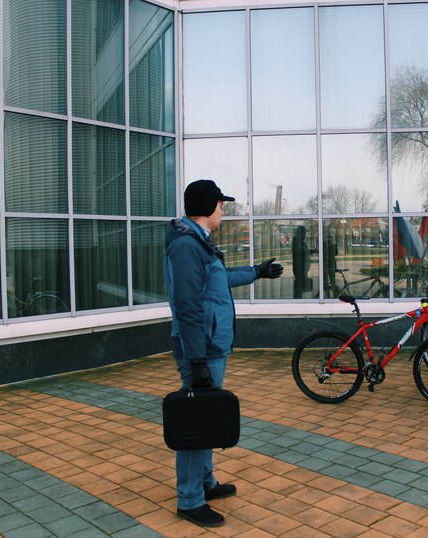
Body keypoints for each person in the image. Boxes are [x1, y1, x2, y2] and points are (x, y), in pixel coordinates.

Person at [164, 179, 283, 527]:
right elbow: (187, 307)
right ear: (207, 207)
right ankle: (189, 500)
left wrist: (256, 272)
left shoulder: (198, 242)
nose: (223, 211)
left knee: (207, 416)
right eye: (221, 205)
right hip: (200, 348)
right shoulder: (187, 247)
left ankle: (205, 482)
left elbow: (219, 279)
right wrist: (197, 361)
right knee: (196, 421)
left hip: (210, 345)